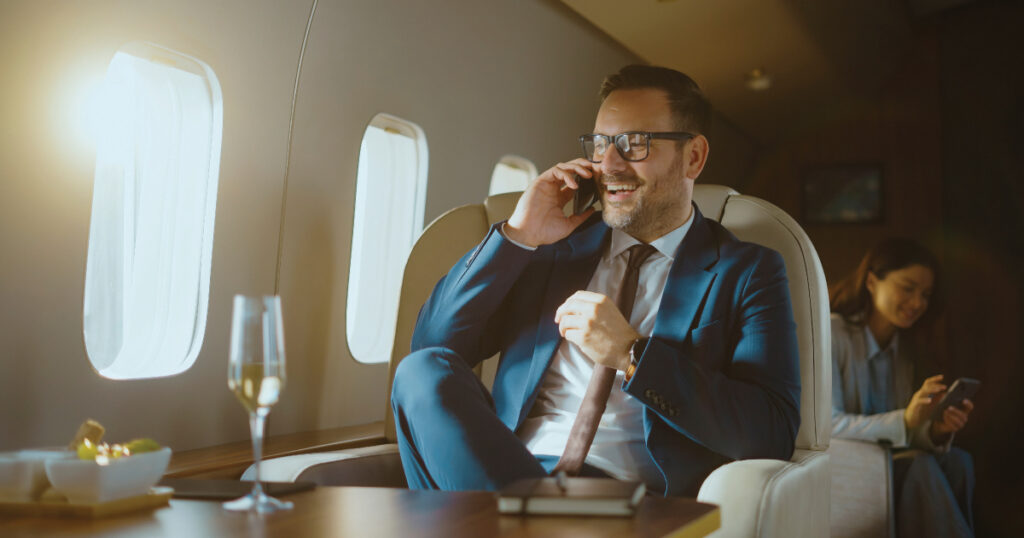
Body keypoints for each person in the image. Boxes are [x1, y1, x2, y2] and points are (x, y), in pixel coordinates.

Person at [390, 65, 801, 497]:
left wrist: (632, 354)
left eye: (633, 145)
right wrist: (520, 234)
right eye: (601, 144)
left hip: (630, 499)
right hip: (505, 474)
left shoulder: (748, 271)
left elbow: (770, 432)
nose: (609, 165)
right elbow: (433, 347)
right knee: (421, 371)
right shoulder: (551, 247)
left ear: (693, 157)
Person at [830, 238, 975, 537]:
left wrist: (935, 431)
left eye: (925, 294)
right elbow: (826, 425)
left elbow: (905, 434)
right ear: (871, 281)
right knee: (919, 466)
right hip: (844, 462)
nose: (918, 303)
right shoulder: (833, 334)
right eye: (907, 288)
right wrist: (905, 421)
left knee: (959, 461)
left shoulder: (907, 351)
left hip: (888, 460)